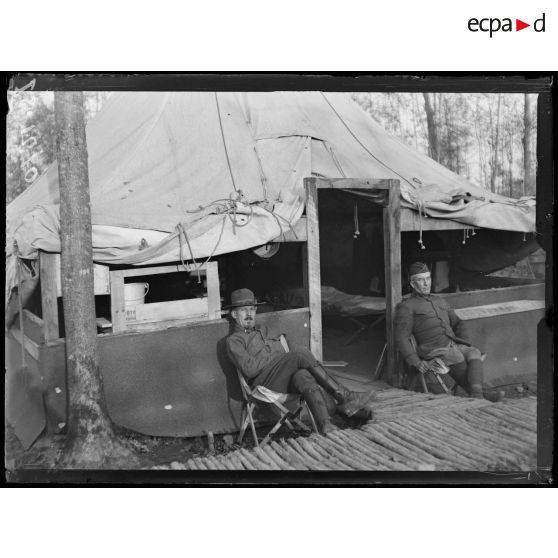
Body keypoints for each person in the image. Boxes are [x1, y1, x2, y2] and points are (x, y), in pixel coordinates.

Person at [226, 288, 376, 435]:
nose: (249, 314)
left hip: (283, 377)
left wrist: (284, 359)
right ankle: (345, 396)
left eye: (251, 309)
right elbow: (249, 369)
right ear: (234, 314)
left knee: (303, 375)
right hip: (264, 383)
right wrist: (278, 358)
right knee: (300, 353)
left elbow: (285, 352)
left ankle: (325, 424)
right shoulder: (234, 341)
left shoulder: (264, 330)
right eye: (243, 310)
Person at [395, 262, 504, 402]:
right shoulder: (407, 306)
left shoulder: (439, 300)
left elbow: (458, 323)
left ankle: (478, 394)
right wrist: (415, 361)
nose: (426, 283)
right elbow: (401, 337)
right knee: (455, 355)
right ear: (412, 283)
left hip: (452, 344)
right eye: (421, 280)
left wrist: (465, 343)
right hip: (432, 349)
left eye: (428, 279)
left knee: (473, 352)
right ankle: (481, 395)